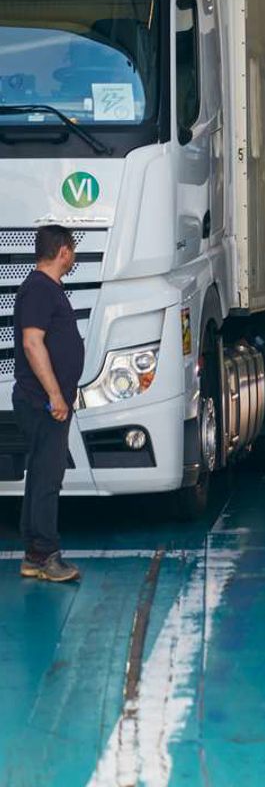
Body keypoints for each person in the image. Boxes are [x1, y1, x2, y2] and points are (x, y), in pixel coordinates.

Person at [12, 225, 83, 583]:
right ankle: (45, 555)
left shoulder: (45, 289)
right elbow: (32, 343)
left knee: (42, 473)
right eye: (72, 250)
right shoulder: (40, 289)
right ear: (63, 252)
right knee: (46, 477)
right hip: (41, 402)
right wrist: (55, 395)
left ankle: (33, 555)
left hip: (46, 400)